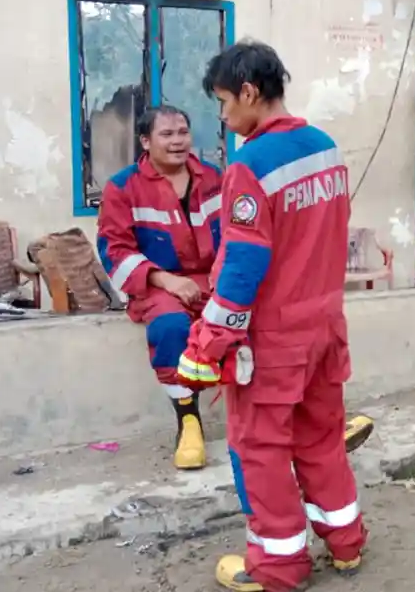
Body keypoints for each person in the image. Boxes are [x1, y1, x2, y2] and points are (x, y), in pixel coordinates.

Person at [176, 40, 367, 592]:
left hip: (275, 342)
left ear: (250, 93)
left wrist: (205, 346)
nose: (223, 115)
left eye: (223, 102)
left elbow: (243, 267)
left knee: (259, 451)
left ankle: (279, 567)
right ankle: (347, 544)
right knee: (322, 439)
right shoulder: (325, 148)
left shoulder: (249, 166)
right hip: (325, 330)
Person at [96, 105, 225, 471]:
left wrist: (224, 274)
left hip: (213, 278)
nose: (177, 141)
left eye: (182, 132)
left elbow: (235, 233)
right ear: (145, 141)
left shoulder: (215, 177)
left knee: (262, 318)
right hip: (158, 284)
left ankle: (290, 415)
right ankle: (188, 421)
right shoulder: (123, 188)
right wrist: (166, 280)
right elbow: (115, 250)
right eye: (166, 134)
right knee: (170, 329)